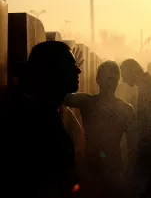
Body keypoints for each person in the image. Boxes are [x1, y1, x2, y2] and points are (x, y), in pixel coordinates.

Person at [9, 41, 81, 198]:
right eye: (70, 64)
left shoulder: (43, 113)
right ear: (52, 71)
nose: (79, 70)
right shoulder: (34, 124)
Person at [64, 61, 135, 198]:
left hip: (114, 169)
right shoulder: (88, 102)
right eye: (108, 78)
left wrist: (129, 172)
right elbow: (63, 97)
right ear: (98, 79)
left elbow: (133, 146)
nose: (111, 83)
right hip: (92, 168)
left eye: (114, 79)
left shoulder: (127, 109)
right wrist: (71, 71)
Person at [120, 59, 151, 198]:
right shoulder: (146, 85)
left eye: (124, 74)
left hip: (149, 147)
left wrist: (141, 147)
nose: (123, 79)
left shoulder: (145, 88)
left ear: (132, 71)